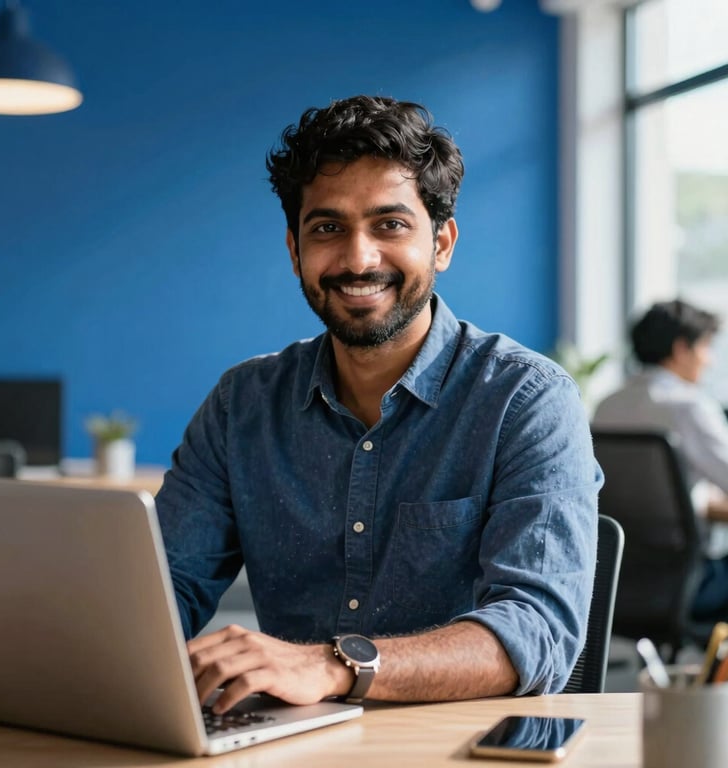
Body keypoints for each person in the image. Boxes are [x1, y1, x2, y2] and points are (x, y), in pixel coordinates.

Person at [154, 95, 601, 714]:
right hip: (290, 747)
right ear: (295, 251)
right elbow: (161, 592)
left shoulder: (526, 399)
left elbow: (538, 630)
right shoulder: (242, 405)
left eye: (390, 225)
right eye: (328, 228)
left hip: (458, 749)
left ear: (441, 243)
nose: (359, 258)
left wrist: (332, 665)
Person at [593, 298, 728, 619]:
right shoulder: (689, 406)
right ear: (682, 349)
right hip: (691, 582)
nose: (708, 361)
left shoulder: (607, 405)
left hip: (619, 576)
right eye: (706, 348)